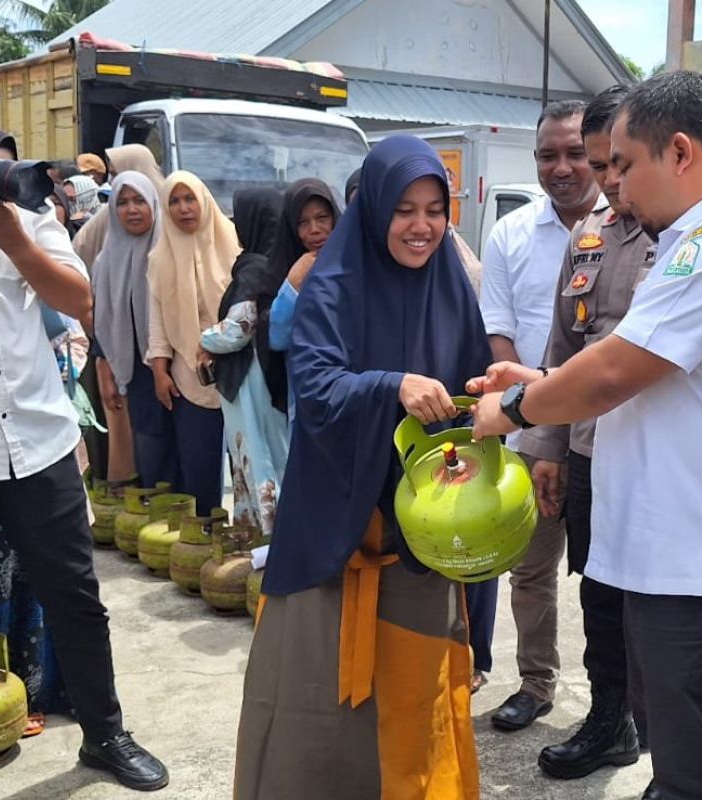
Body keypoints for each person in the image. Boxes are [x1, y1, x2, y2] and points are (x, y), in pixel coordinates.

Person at [471, 69, 702, 800]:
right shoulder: (697, 236)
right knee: (679, 765)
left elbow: (613, 374)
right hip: (675, 558)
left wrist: (518, 408)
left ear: (681, 153)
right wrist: (532, 379)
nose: (612, 184)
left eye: (623, 164)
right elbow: (634, 372)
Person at [0, 46, 167, 800]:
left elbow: (81, 300)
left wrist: (12, 236)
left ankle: (106, 734)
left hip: (37, 443)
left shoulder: (12, 200)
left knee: (77, 599)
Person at [234, 135, 490, 799]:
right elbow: (314, 389)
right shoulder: (333, 284)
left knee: (417, 704)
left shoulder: (453, 290)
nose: (422, 225)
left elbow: (466, 397)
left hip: (420, 538)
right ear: (374, 209)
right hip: (335, 539)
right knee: (313, 717)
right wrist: (392, 385)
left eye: (436, 209)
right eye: (405, 208)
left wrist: (475, 428)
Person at [515, 85, 654, 781]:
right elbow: (561, 349)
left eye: (615, 164)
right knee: (599, 592)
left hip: (660, 457)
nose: (609, 182)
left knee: (659, 602)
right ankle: (610, 722)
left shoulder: (685, 236)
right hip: (592, 450)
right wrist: (548, 448)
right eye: (602, 167)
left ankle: (662, 727)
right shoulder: (590, 237)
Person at [479, 99, 602, 732]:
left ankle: (619, 703)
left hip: (610, 435)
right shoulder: (511, 234)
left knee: (612, 576)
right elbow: (501, 339)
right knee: (530, 569)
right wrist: (533, 432)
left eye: (576, 152)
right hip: (532, 434)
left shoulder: (630, 230)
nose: (561, 167)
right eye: (547, 155)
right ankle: (535, 681)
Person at [146, 171, 236, 513]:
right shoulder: (159, 258)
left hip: (237, 372)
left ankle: (249, 540)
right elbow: (157, 320)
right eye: (174, 201)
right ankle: (204, 538)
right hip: (189, 374)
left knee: (244, 461)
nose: (183, 208)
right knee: (198, 464)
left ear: (204, 201)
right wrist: (160, 371)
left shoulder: (233, 246)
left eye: (189, 199)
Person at [201, 188, 290, 535]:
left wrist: (203, 340)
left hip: (249, 375)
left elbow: (239, 328)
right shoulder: (279, 260)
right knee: (270, 453)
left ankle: (266, 537)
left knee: (255, 454)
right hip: (269, 373)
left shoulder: (255, 265)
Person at [80, 144, 167, 486]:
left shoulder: (168, 249)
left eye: (139, 201)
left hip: (174, 369)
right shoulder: (106, 261)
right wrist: (105, 368)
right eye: (122, 202)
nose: (131, 210)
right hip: (131, 369)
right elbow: (103, 318)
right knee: (147, 448)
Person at [265, 178, 342, 422]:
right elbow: (278, 338)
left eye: (322, 218)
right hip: (306, 398)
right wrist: (293, 283)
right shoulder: (285, 268)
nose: (314, 230)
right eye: (303, 222)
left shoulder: (354, 264)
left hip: (352, 392)